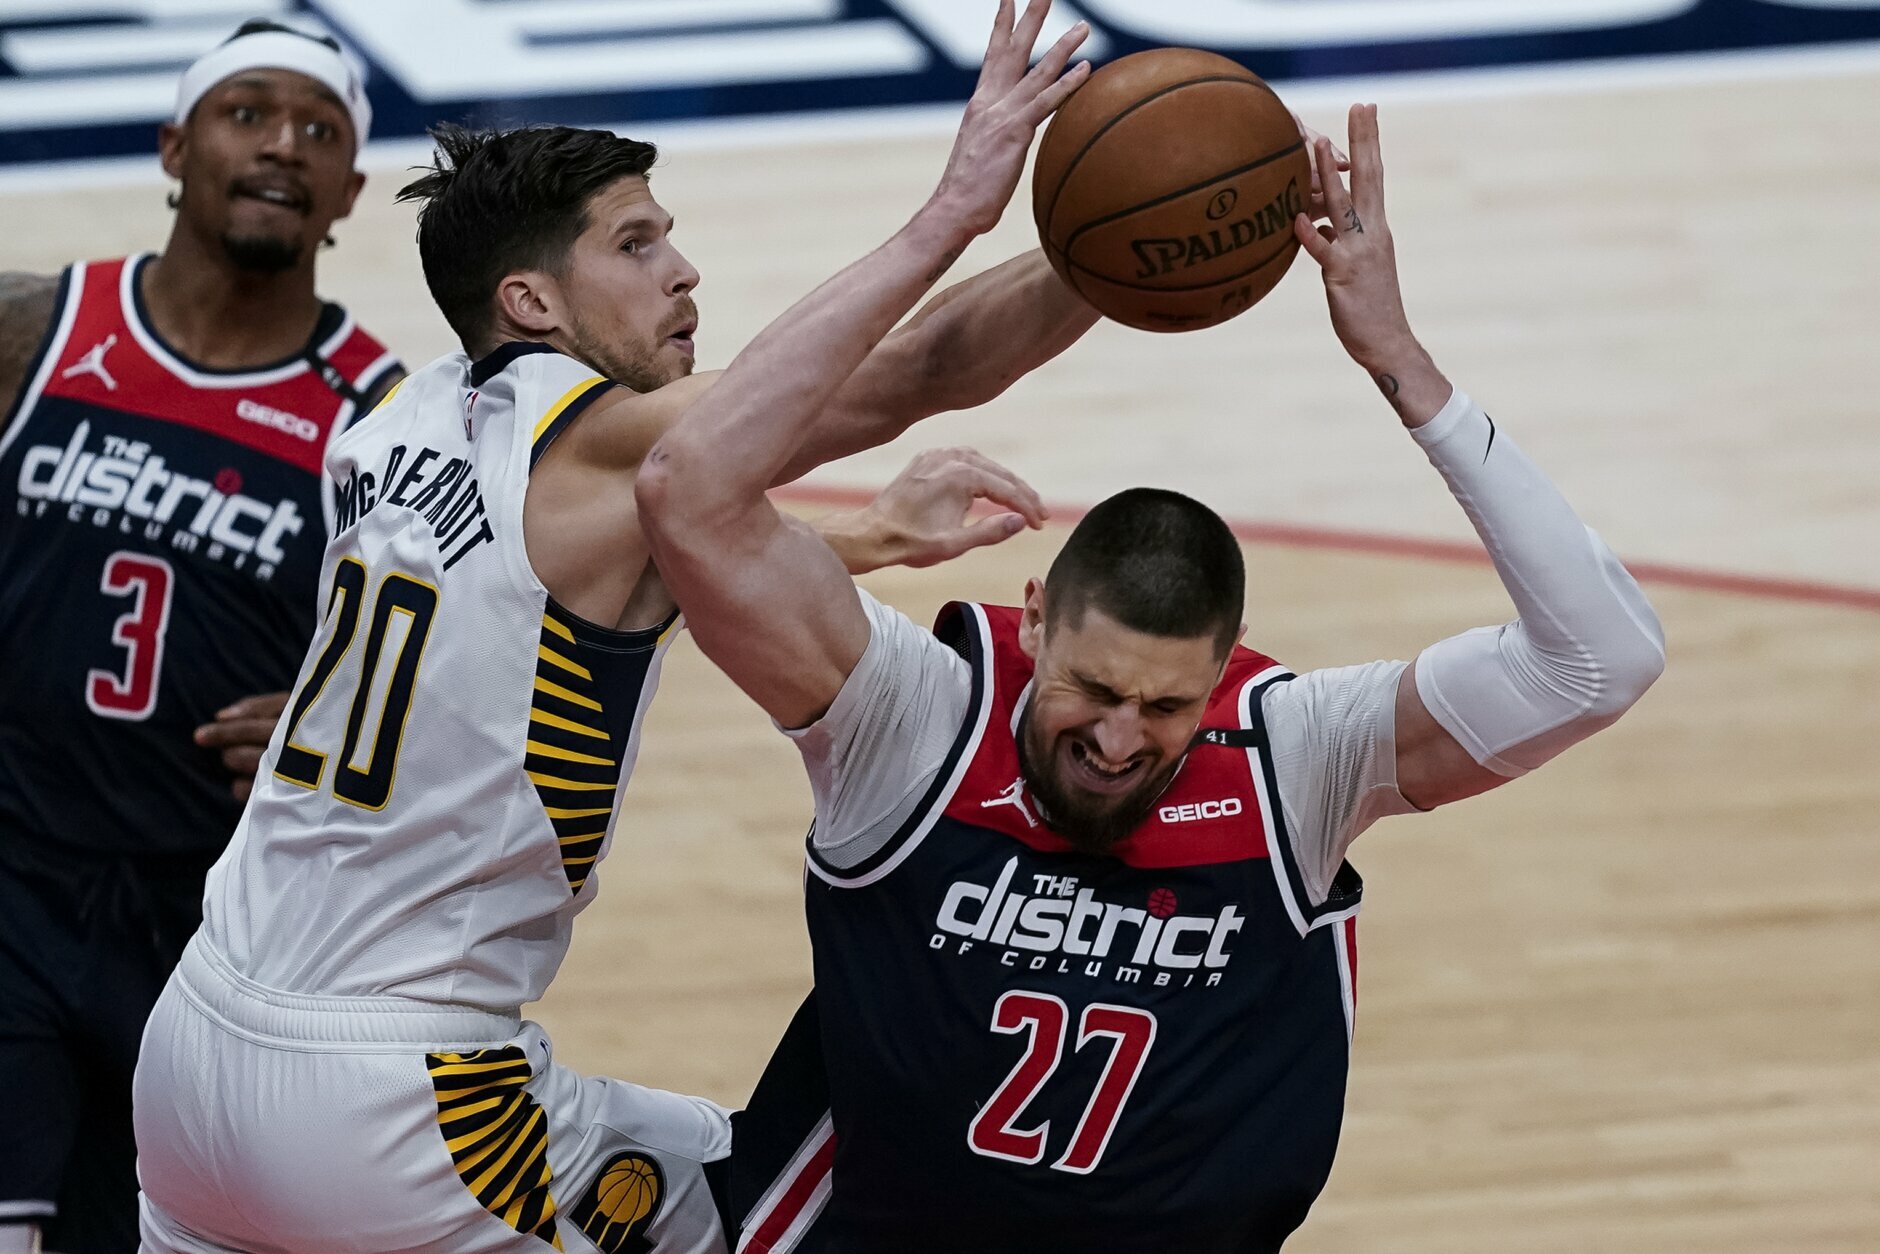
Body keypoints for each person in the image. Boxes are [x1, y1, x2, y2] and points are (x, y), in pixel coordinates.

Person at [130, 3, 1097, 1250]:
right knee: (770, 1202)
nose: (681, 271)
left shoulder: (387, 428)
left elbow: (526, 617)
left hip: (193, 1049)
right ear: (530, 301)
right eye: (636, 244)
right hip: (393, 1097)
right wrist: (1004, 223)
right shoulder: (593, 440)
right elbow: (920, 371)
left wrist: (859, 540)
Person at [634, 103, 1668, 1254]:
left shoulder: (1296, 759)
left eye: (1166, 706)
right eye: (1090, 689)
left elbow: (1601, 657)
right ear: (1032, 620)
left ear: (1224, 668)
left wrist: (1399, 364)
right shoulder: (912, 718)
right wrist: (948, 226)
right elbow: (691, 499)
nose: (1119, 739)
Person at [0, 20, 400, 1253]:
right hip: (11, 874)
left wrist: (332, 721)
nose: (283, 145)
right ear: (176, 147)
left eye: (319, 131)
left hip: (211, 926)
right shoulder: (34, 330)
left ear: (349, 192)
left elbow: (453, 683)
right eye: (248, 113)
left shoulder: (381, 421)